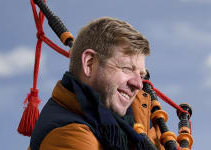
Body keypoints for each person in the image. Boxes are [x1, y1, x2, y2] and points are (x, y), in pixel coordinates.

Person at [29, 17, 164, 150]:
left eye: (141, 75)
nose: (139, 84)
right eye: (127, 68)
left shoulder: (133, 114)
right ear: (89, 64)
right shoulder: (66, 135)